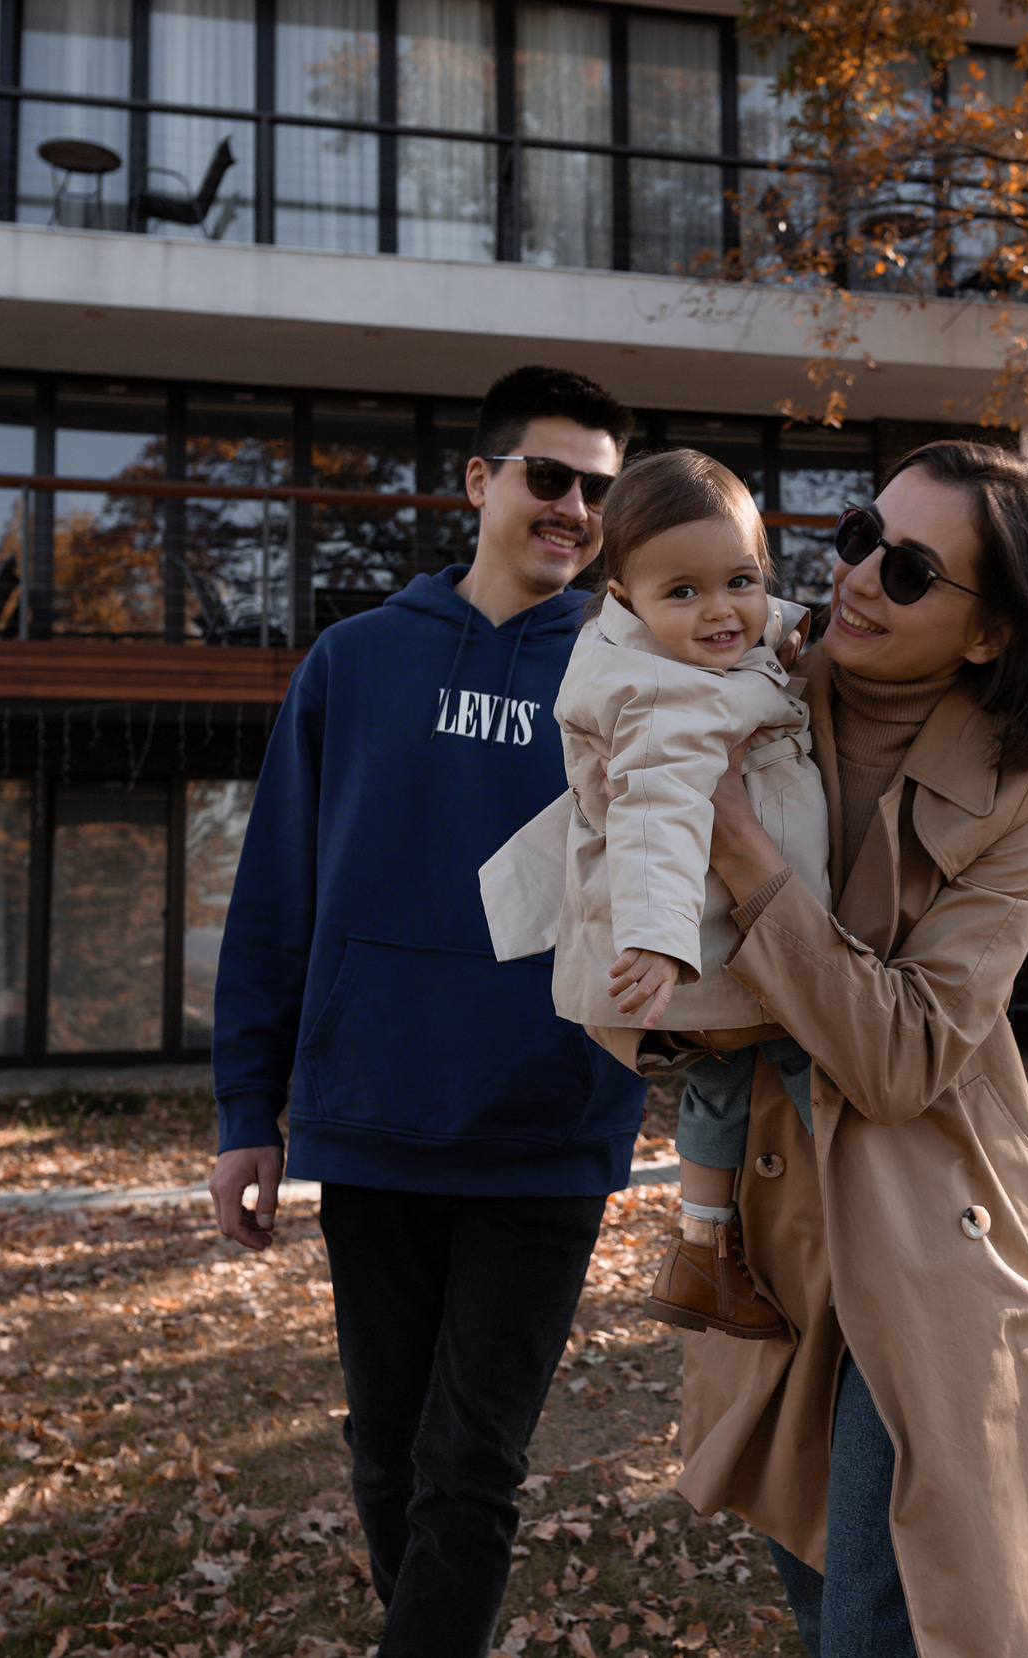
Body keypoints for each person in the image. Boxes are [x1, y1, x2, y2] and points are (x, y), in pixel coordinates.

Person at [207, 365, 648, 1657]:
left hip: (548, 1127)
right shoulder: (354, 662)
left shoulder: (633, 674)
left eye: (598, 489)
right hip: (376, 1115)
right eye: (549, 476)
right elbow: (274, 895)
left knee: (472, 1466)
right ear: (480, 480)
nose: (573, 507)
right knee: (389, 1455)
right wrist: (250, 1109)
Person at [671, 441, 1028, 1655]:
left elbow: (909, 1054)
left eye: (909, 569)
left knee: (884, 1614)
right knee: (822, 1593)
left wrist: (742, 852)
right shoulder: (742, 668)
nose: (855, 573)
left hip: (934, 1222)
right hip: (768, 1223)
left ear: (988, 634)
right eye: (860, 531)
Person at [478, 447, 831, 1342]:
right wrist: (658, 936)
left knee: (721, 1080)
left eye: (741, 581)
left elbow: (751, 629)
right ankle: (851, 1207)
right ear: (627, 599)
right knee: (821, 1055)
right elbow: (657, 817)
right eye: (683, 592)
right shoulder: (665, 696)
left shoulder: (687, 650)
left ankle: (701, 1249)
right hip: (712, 948)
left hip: (710, 959)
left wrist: (782, 634)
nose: (720, 612)